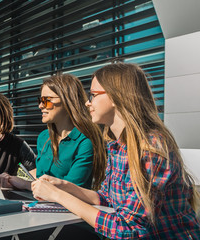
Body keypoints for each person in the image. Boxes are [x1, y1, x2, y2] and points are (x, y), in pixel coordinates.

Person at [32, 63, 200, 239]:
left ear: (115, 96)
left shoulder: (150, 148)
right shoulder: (116, 146)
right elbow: (107, 198)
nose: (88, 103)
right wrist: (65, 186)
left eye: (94, 95)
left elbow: (128, 230)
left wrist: (58, 195)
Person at [0, 74, 105, 192]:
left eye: (46, 101)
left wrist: (25, 184)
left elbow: (71, 188)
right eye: (40, 100)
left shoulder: (85, 142)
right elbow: (40, 182)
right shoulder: (44, 138)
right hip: (39, 205)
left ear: (67, 101)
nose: (40, 106)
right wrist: (13, 182)